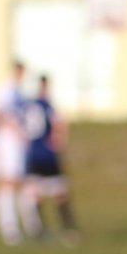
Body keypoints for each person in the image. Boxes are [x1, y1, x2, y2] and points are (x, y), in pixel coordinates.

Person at [21, 74, 80, 244]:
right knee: (60, 192)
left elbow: (21, 128)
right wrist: (60, 139)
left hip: (33, 154)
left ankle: (40, 231)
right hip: (47, 154)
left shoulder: (27, 106)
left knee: (35, 192)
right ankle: (69, 230)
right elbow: (59, 125)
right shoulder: (46, 106)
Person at [0, 59, 30, 245]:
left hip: (18, 143)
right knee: (7, 181)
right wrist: (12, 128)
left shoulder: (19, 91)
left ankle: (27, 225)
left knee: (19, 182)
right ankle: (8, 226)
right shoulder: (6, 89)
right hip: (7, 142)